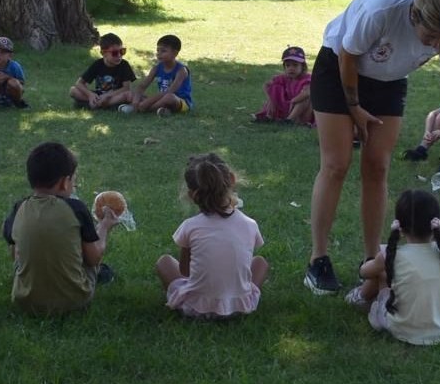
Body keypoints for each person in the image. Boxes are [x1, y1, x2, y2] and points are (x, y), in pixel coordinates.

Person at [304, 0, 440, 295]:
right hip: (340, 68)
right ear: (415, 14)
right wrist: (354, 107)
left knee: (378, 166)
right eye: (431, 35)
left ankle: (373, 260)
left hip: (388, 81)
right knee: (336, 164)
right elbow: (347, 55)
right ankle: (319, 258)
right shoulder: (382, 9)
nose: (436, 43)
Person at [2, 141, 121, 315]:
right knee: (96, 266)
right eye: (74, 179)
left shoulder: (18, 208)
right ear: (65, 182)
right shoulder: (76, 208)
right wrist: (104, 226)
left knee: (17, 246)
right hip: (74, 300)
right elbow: (94, 257)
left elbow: (13, 249)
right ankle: (102, 275)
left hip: (25, 300)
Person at [156, 153, 268, 319]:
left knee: (164, 262)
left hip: (195, 308)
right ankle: (238, 298)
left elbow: (185, 271)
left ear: (192, 195)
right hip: (239, 307)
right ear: (231, 179)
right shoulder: (250, 224)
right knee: (260, 262)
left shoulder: (190, 226)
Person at [344, 190, 440, 345]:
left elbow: (364, 272)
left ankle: (359, 297)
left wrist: (374, 263)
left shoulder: (390, 255)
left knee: (382, 274)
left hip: (402, 329)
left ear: (401, 227)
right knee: (390, 271)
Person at [125, 34, 193, 116]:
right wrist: (135, 101)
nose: (159, 54)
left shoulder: (182, 70)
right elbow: (142, 86)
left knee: (169, 97)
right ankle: (162, 110)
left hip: (180, 101)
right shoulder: (156, 68)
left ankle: (145, 109)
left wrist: (147, 103)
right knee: (134, 94)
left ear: (175, 53)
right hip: (161, 99)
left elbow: (170, 91)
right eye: (158, 50)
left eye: (163, 51)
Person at [69, 32, 137, 110]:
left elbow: (126, 88)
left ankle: (91, 105)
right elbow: (79, 83)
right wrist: (90, 95)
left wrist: (108, 95)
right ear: (103, 53)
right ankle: (104, 105)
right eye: (114, 53)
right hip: (98, 95)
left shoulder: (124, 65)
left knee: (128, 95)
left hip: (115, 95)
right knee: (73, 90)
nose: (119, 55)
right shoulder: (98, 64)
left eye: (122, 51)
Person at [253, 46, 313, 125]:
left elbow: (307, 92)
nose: (291, 68)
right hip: (287, 107)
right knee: (274, 92)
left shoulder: (306, 79)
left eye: (295, 65)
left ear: (303, 66)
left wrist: (293, 101)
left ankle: (289, 120)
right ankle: (269, 116)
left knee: (306, 99)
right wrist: (271, 97)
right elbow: (267, 86)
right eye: (288, 65)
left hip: (302, 111)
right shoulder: (283, 78)